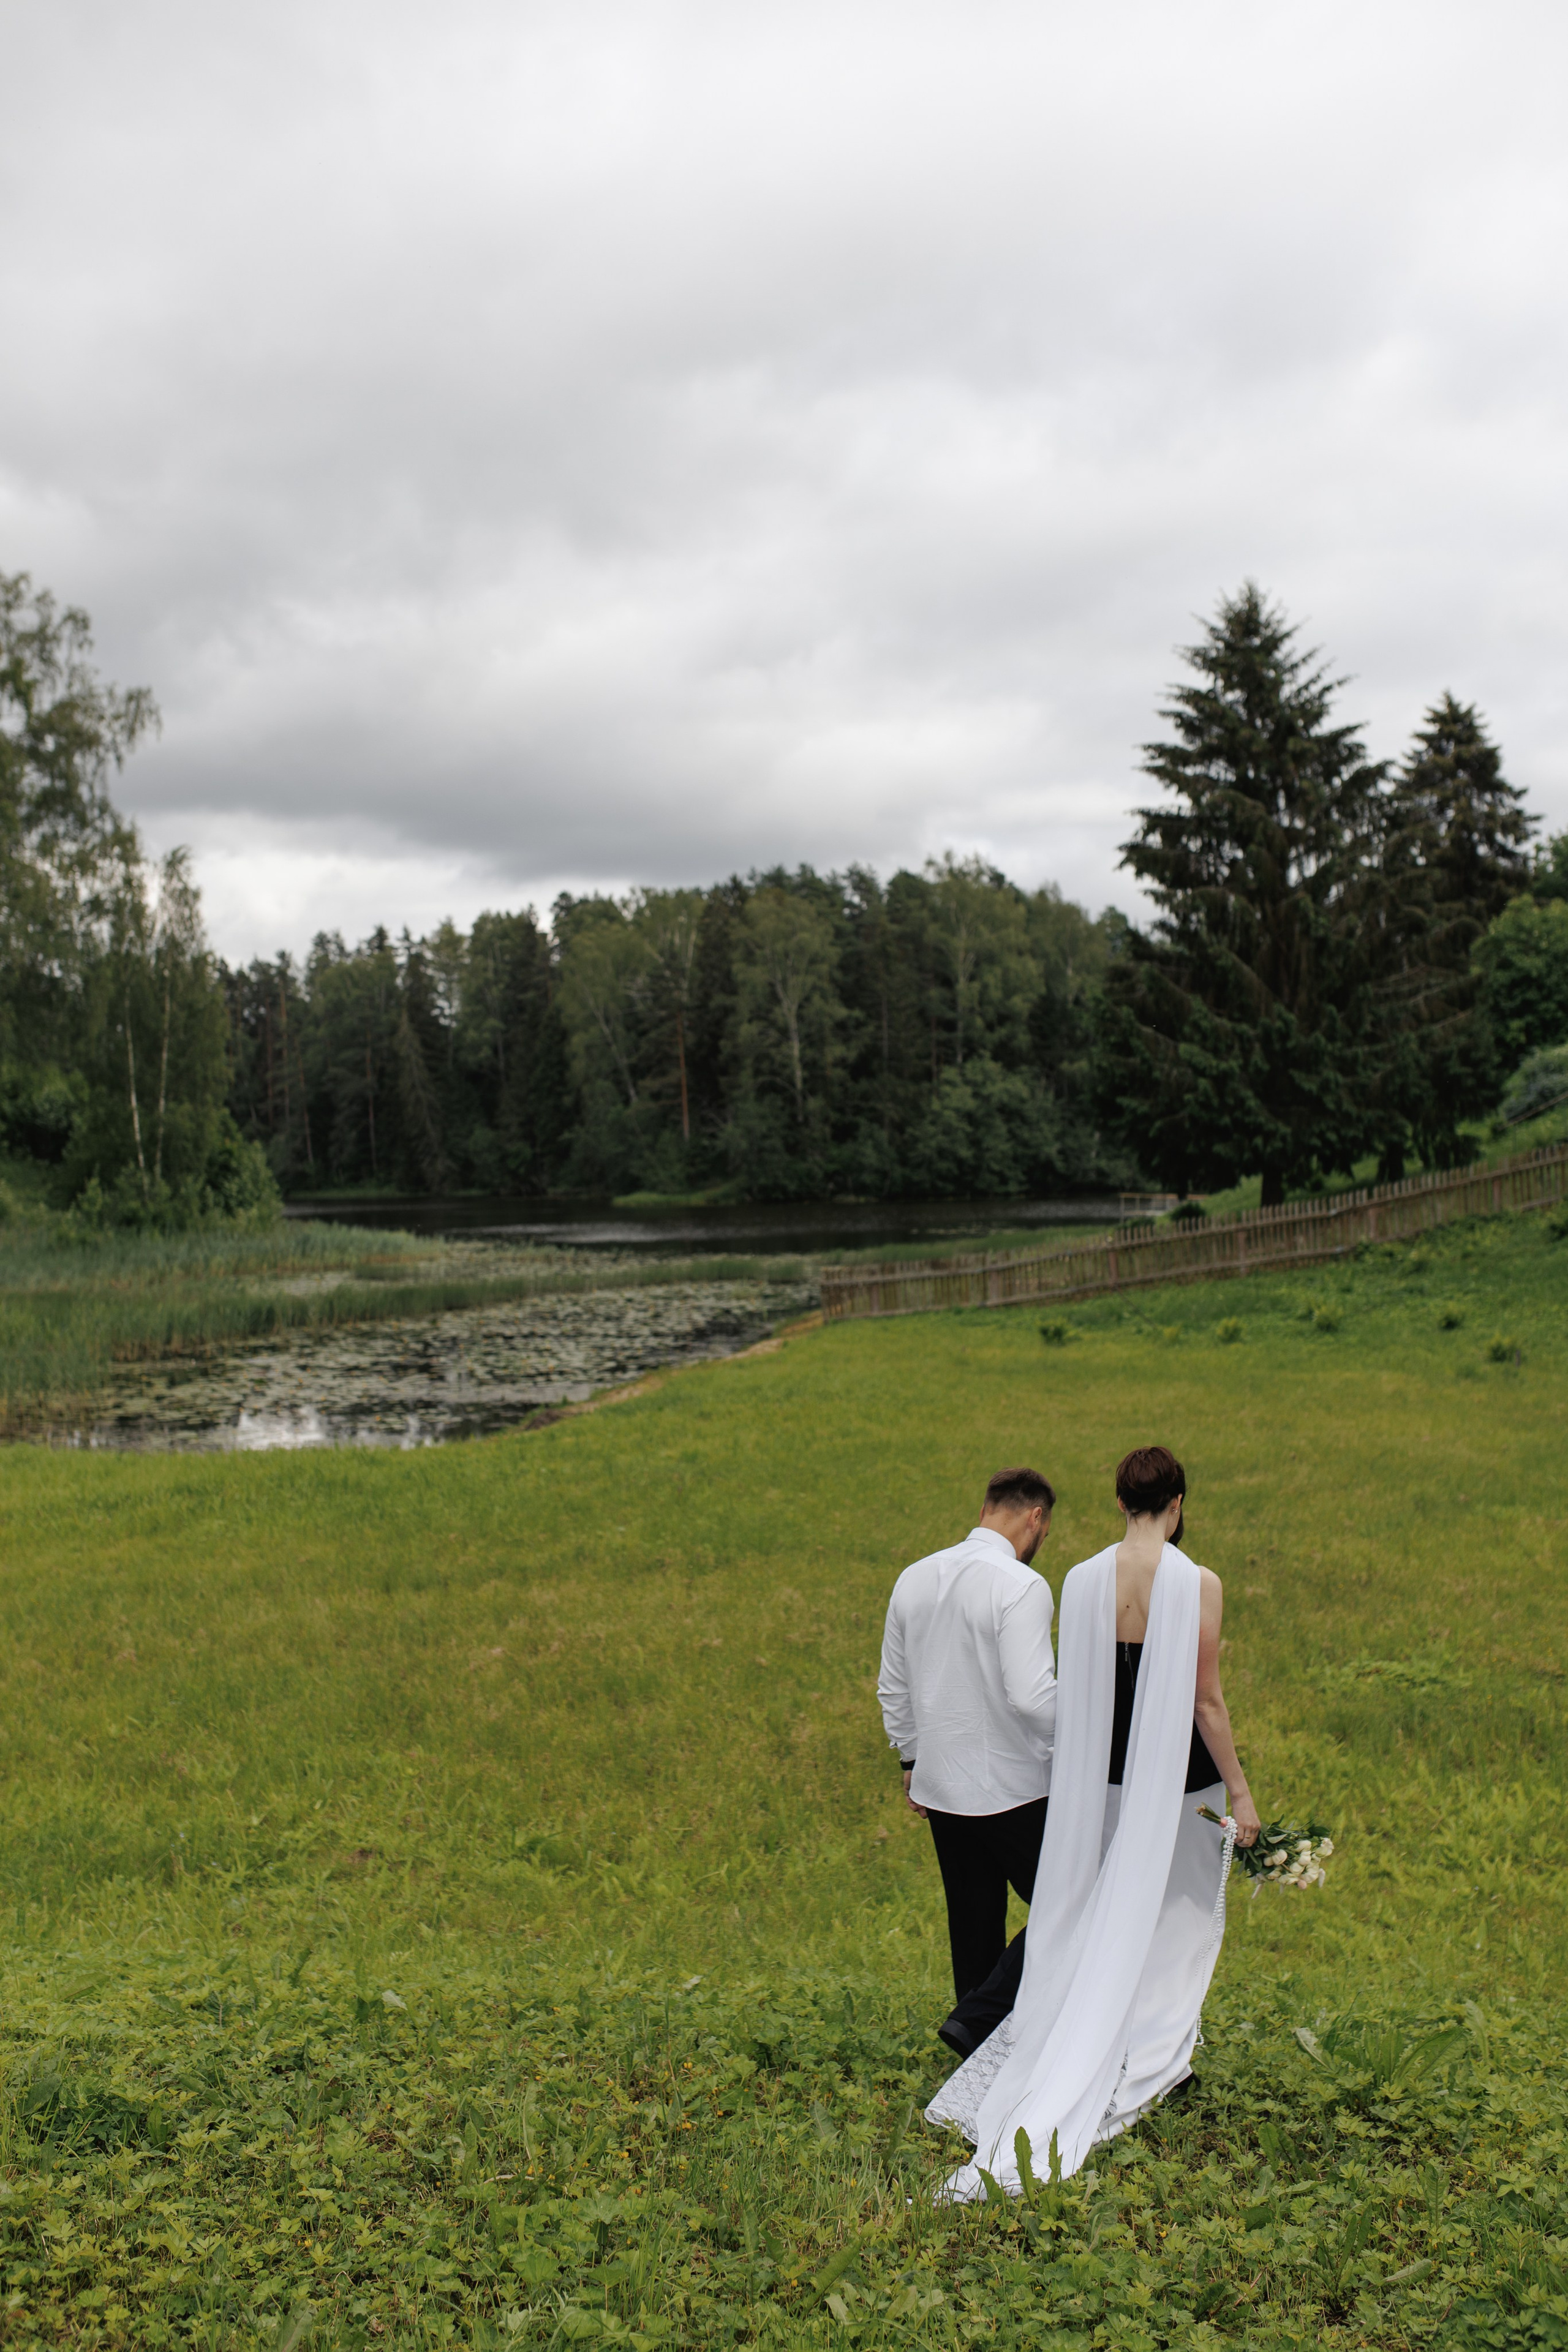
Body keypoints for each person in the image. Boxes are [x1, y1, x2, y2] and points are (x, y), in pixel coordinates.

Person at [925, 1445, 1260, 2196]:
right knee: (1169, 1922)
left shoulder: (1078, 1580)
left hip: (1100, 1781)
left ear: (1119, 1503)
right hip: (1177, 1783)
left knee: (1099, 1911)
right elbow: (1205, 1702)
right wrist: (1240, 1793)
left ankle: (1095, 2042)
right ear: (1177, 1504)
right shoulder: (1198, 1582)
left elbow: (1075, 1690)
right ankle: (1151, 2057)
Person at [877, 1466, 1058, 2061]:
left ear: (986, 1509)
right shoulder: (1021, 1586)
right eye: (1045, 1529)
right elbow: (1033, 1697)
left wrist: (910, 1758)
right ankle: (979, 2020)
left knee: (974, 1929)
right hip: (1016, 1789)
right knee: (1076, 1906)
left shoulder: (913, 1577)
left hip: (940, 1788)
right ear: (1035, 1518)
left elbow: (893, 1686)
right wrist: (1075, 1749)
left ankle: (977, 2061)